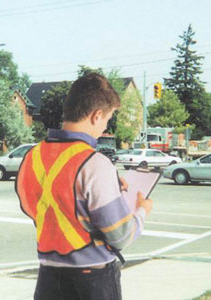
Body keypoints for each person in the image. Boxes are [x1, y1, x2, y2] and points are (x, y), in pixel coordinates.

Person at [15, 73, 153, 300]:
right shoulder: (95, 163)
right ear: (96, 115)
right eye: (107, 120)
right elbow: (121, 236)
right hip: (91, 282)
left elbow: (41, 210)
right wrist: (142, 211)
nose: (104, 128)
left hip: (48, 280)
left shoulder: (32, 157)